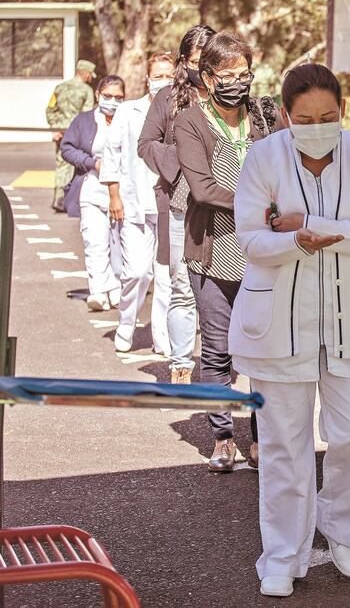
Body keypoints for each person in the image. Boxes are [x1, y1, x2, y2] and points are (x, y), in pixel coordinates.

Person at [229, 63, 350, 599]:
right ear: (285, 115)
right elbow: (251, 241)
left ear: (343, 111)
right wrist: (293, 242)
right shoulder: (262, 157)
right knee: (284, 444)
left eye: (328, 116)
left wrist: (316, 229)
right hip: (279, 324)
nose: (318, 125)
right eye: (305, 118)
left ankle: (343, 528)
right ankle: (282, 553)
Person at [174, 31, 279, 471]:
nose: (239, 82)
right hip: (214, 249)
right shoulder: (190, 122)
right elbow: (202, 189)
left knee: (263, 350)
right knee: (218, 350)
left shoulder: (261, 117)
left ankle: (261, 439)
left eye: (245, 74)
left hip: (262, 252)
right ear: (208, 77)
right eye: (229, 75)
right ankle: (222, 435)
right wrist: (259, 200)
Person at [139, 25, 216, 383]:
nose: (205, 69)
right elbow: (146, 144)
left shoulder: (231, 98)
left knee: (222, 287)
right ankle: (181, 363)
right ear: (184, 62)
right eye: (197, 62)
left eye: (210, 61)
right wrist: (186, 159)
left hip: (223, 204)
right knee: (182, 286)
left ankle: (221, 363)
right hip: (180, 205)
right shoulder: (168, 98)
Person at [101, 53, 176, 354]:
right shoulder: (129, 111)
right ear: (147, 79)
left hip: (168, 203)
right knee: (137, 272)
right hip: (133, 204)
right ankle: (126, 322)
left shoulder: (180, 110)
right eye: (157, 75)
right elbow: (112, 153)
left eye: (169, 75)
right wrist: (113, 195)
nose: (163, 81)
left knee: (166, 275)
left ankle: (161, 335)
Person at [60, 75, 125, 312]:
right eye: (107, 96)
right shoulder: (84, 121)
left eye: (119, 97)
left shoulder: (127, 119)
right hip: (92, 189)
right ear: (98, 95)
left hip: (120, 193)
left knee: (118, 244)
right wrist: (91, 163)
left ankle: (117, 290)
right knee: (94, 242)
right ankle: (98, 291)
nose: (112, 102)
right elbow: (67, 147)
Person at [46, 60, 97, 212]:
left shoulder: (59, 88)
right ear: (86, 74)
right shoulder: (86, 90)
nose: (91, 78)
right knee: (78, 164)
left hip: (60, 132)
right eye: (90, 75)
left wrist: (54, 128)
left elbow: (50, 110)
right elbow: (87, 114)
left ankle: (58, 198)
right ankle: (70, 199)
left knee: (61, 164)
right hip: (76, 132)